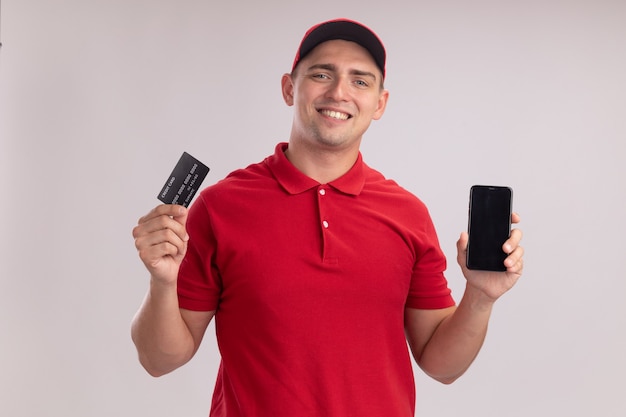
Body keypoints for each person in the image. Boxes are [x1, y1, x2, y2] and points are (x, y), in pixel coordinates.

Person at [131, 18, 524, 417]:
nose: (339, 92)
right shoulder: (220, 207)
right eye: (322, 74)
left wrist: (480, 296)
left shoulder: (408, 213)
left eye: (360, 81)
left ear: (380, 103)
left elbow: (442, 366)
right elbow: (159, 360)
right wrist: (162, 282)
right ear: (289, 88)